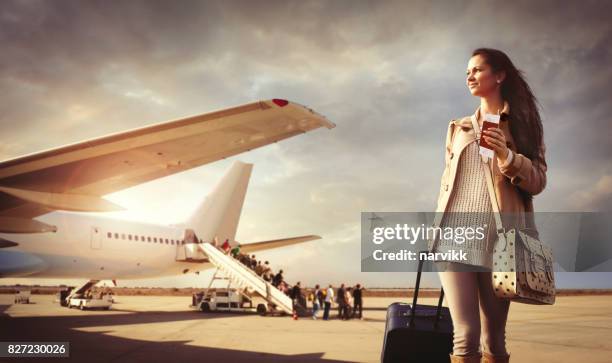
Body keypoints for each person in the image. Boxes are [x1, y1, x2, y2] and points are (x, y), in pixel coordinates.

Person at [428, 48, 547, 363]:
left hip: (499, 243)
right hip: (453, 237)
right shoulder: (458, 127)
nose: (469, 76)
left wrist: (507, 158)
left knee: (492, 338)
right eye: (467, 71)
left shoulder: (522, 128)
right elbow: (447, 186)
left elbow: (537, 181)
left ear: (500, 75)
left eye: (477, 69)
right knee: (464, 334)